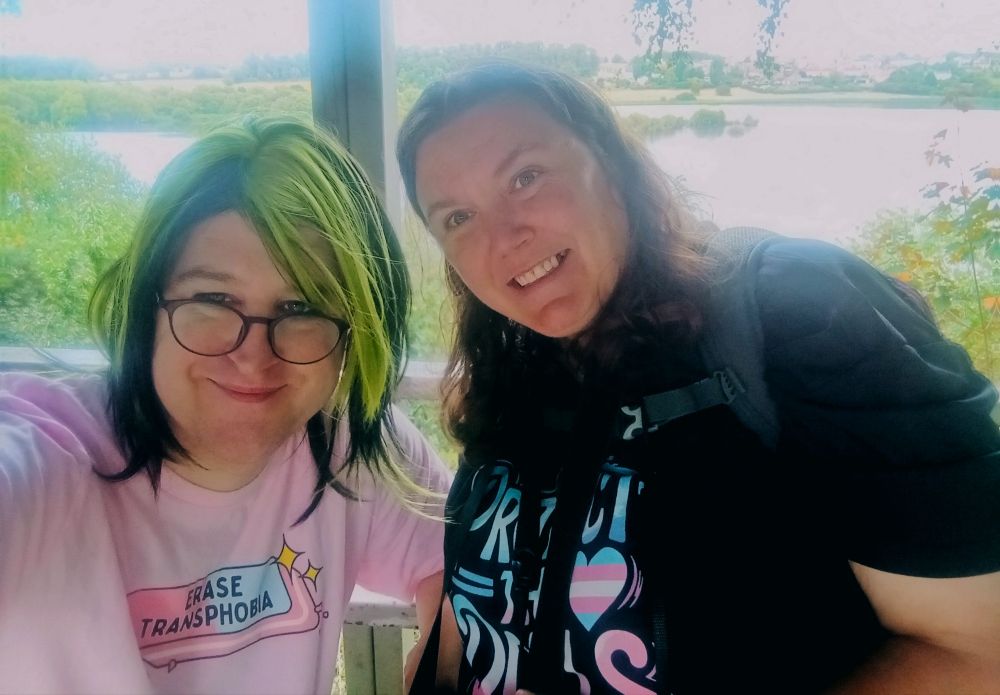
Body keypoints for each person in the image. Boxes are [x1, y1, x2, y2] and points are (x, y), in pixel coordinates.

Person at [396, 63, 1000, 694]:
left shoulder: (800, 312)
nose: (503, 238)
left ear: (612, 164)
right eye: (458, 218)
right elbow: (473, 617)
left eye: (526, 177)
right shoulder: (512, 378)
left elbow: (975, 653)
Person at [0, 116, 452, 694]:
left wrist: (444, 664)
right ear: (146, 307)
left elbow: (461, 560)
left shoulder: (344, 442)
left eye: (301, 309)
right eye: (212, 299)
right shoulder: (49, 454)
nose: (253, 357)